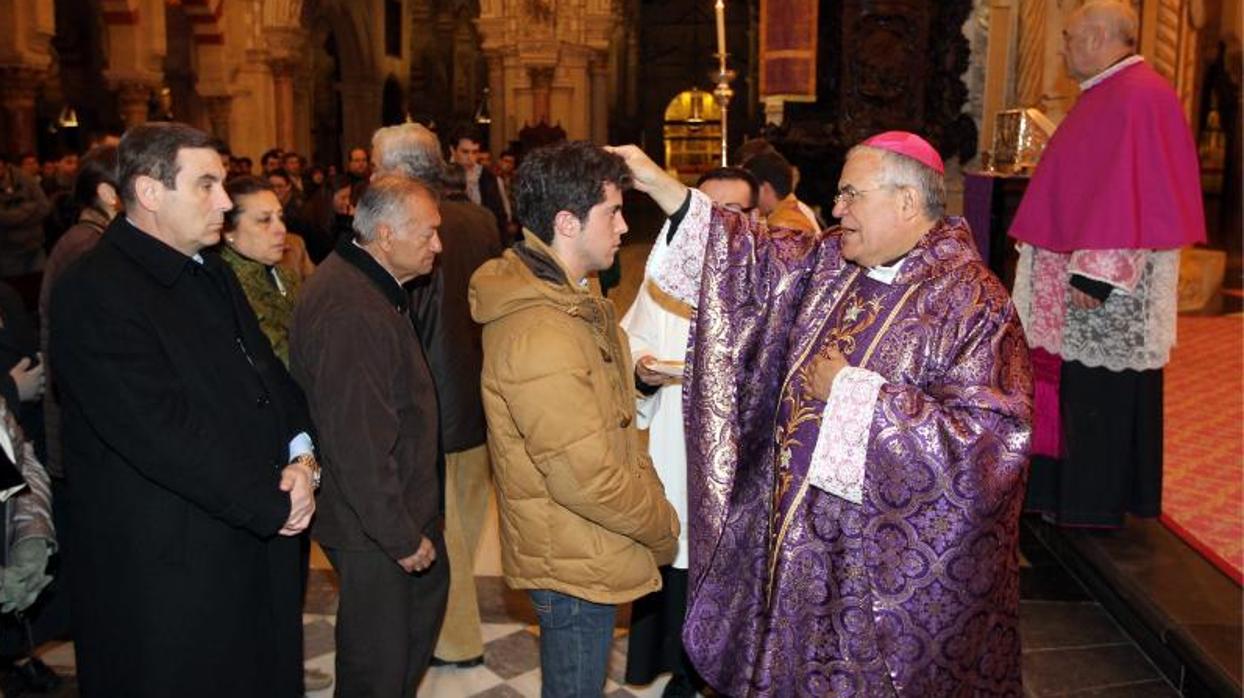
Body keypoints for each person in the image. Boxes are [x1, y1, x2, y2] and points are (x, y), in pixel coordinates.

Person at [616, 130, 1032, 696]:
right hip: (798, 560)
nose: (836, 209)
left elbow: (991, 448)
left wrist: (856, 394)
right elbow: (749, 253)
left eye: (850, 194)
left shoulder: (974, 304)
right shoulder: (834, 260)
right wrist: (660, 185)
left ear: (906, 202)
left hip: (877, 587)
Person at [49, 122, 318, 698]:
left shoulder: (209, 269)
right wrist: (273, 502)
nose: (224, 201)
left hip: (250, 533)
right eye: (206, 184)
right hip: (169, 573)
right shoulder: (94, 291)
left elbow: (271, 377)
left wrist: (303, 460)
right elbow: (163, 435)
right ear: (149, 192)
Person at [469, 141, 680, 698]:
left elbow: (587, 408)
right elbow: (584, 475)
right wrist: (663, 525)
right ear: (567, 222)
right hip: (572, 551)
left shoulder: (571, 297)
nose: (622, 225)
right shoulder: (541, 328)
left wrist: (634, 380)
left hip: (583, 542)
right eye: (612, 211)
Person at [1010, 0, 1205, 528]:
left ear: (1096, 37)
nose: (1063, 47)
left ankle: (1091, 502)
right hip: (1085, 276)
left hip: (1101, 285)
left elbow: (1130, 196)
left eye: (1069, 36)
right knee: (1078, 385)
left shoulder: (1135, 97)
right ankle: (1067, 495)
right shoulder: (1111, 92)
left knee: (1099, 391)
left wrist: (1096, 273)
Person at [290, 175, 449, 697]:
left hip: (387, 517)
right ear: (385, 235)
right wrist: (400, 535)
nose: (437, 246)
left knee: (398, 654)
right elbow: (357, 442)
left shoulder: (371, 286)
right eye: (427, 234)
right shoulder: (351, 310)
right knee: (376, 669)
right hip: (374, 527)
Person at [620, 166, 758, 697]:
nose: (720, 224)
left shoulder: (776, 280)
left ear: (754, 218)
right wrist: (644, 367)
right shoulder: (667, 275)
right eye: (709, 210)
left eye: (733, 213)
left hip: (745, 466)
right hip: (680, 453)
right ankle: (682, 672)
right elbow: (631, 336)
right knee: (682, 558)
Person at [370, 122, 503, 668]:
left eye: (377, 166)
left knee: (440, 532)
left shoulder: (404, 231)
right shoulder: (480, 219)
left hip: (432, 408)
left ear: (399, 172)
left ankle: (454, 641)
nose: (371, 176)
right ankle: (450, 625)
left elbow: (405, 324)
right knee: (466, 527)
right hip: (479, 397)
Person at [448, 126, 510, 244]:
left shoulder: (489, 178)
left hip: (483, 242)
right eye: (465, 152)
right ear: (452, 150)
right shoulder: (443, 176)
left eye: (475, 152)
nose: (470, 158)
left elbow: (501, 218)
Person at [742, 150, 820, 233]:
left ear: (765, 188)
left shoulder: (783, 226)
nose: (748, 196)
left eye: (750, 188)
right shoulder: (788, 215)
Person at [0, 156, 51, 277]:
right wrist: (30, 208)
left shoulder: (25, 178)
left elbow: (44, 207)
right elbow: (4, 218)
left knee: (40, 285)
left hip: (35, 246)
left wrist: (16, 217)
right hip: (8, 251)